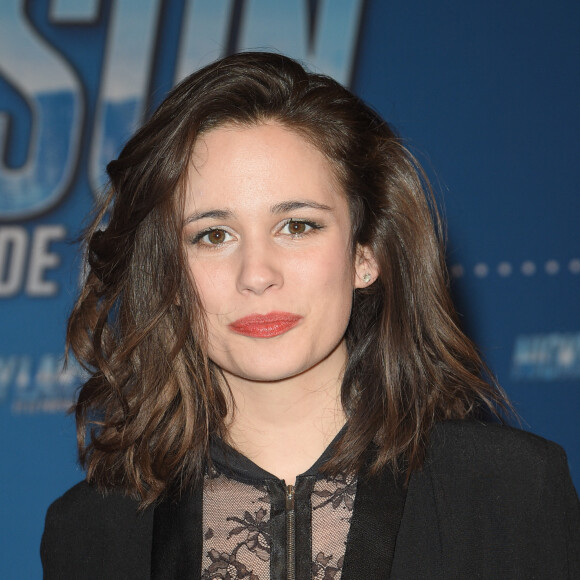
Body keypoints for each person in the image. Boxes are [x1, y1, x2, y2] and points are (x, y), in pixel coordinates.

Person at [41, 51, 579, 579]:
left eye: (297, 226)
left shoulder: (513, 491)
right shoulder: (91, 532)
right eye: (213, 235)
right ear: (168, 278)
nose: (257, 273)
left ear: (365, 253)